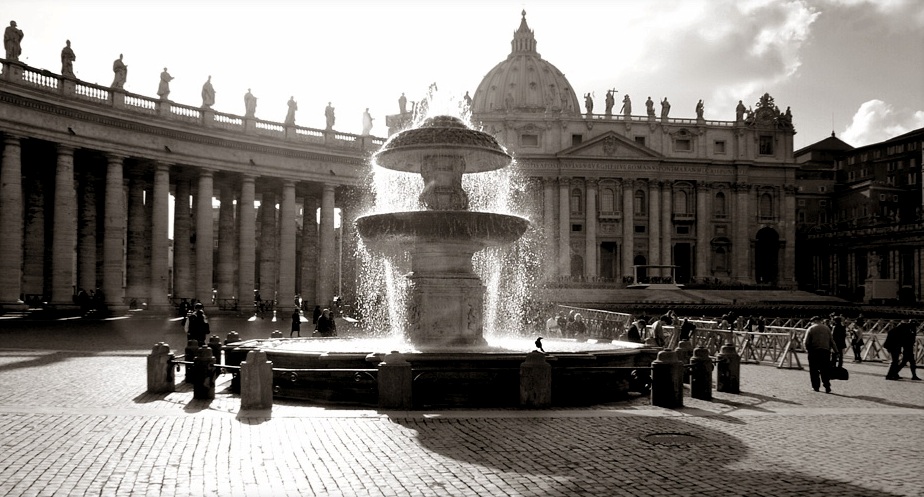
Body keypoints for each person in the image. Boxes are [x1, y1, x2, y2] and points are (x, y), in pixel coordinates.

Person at [802, 315, 835, 393]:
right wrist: (836, 351)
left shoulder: (811, 328)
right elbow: (832, 341)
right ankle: (827, 386)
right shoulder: (827, 328)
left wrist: (807, 350)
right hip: (825, 351)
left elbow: (806, 341)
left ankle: (816, 386)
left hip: (814, 351)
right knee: (825, 369)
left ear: (814, 321)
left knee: (814, 370)